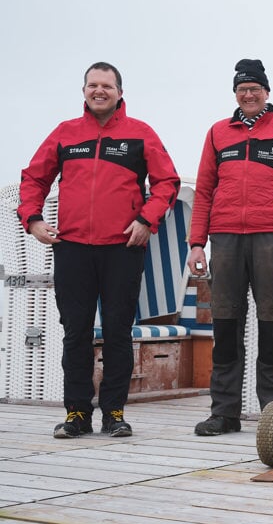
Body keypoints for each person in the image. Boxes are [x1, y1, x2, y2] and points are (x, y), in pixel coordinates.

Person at [18, 62, 180, 439]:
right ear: (84, 91)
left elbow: (166, 182)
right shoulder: (65, 133)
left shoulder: (141, 134)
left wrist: (146, 220)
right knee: (74, 332)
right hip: (72, 247)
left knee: (118, 333)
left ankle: (114, 413)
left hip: (122, 248)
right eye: (93, 85)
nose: (99, 91)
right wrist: (33, 219)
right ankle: (76, 413)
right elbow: (33, 178)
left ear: (120, 92)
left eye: (107, 85)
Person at [188, 59, 273, 436]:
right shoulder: (216, 134)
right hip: (223, 240)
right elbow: (204, 191)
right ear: (235, 95)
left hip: (272, 239)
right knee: (225, 325)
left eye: (255, 88)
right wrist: (196, 244)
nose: (249, 94)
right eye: (242, 89)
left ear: (267, 92)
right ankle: (224, 413)